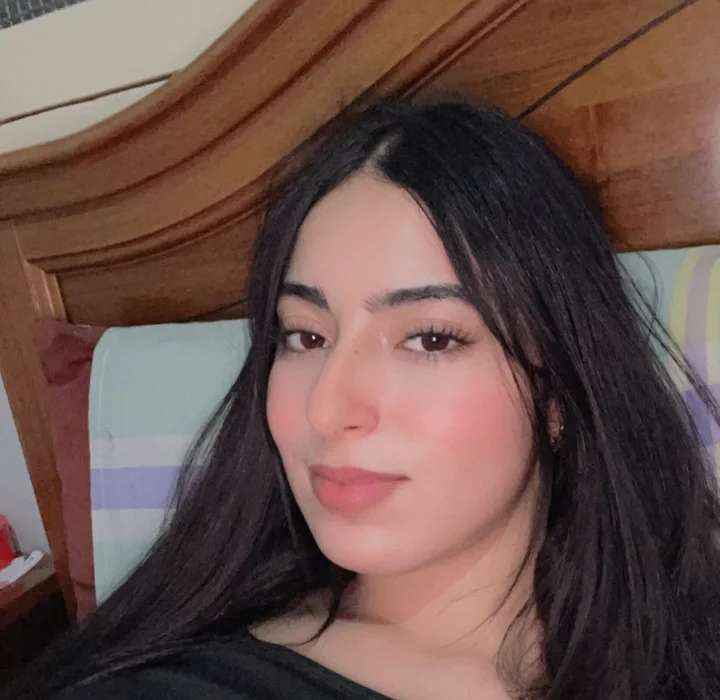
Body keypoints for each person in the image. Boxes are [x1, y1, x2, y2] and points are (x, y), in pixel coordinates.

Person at [7, 97, 720, 700]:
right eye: (305, 336)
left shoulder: (685, 644)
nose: (327, 409)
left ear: (558, 388)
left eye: (429, 339)